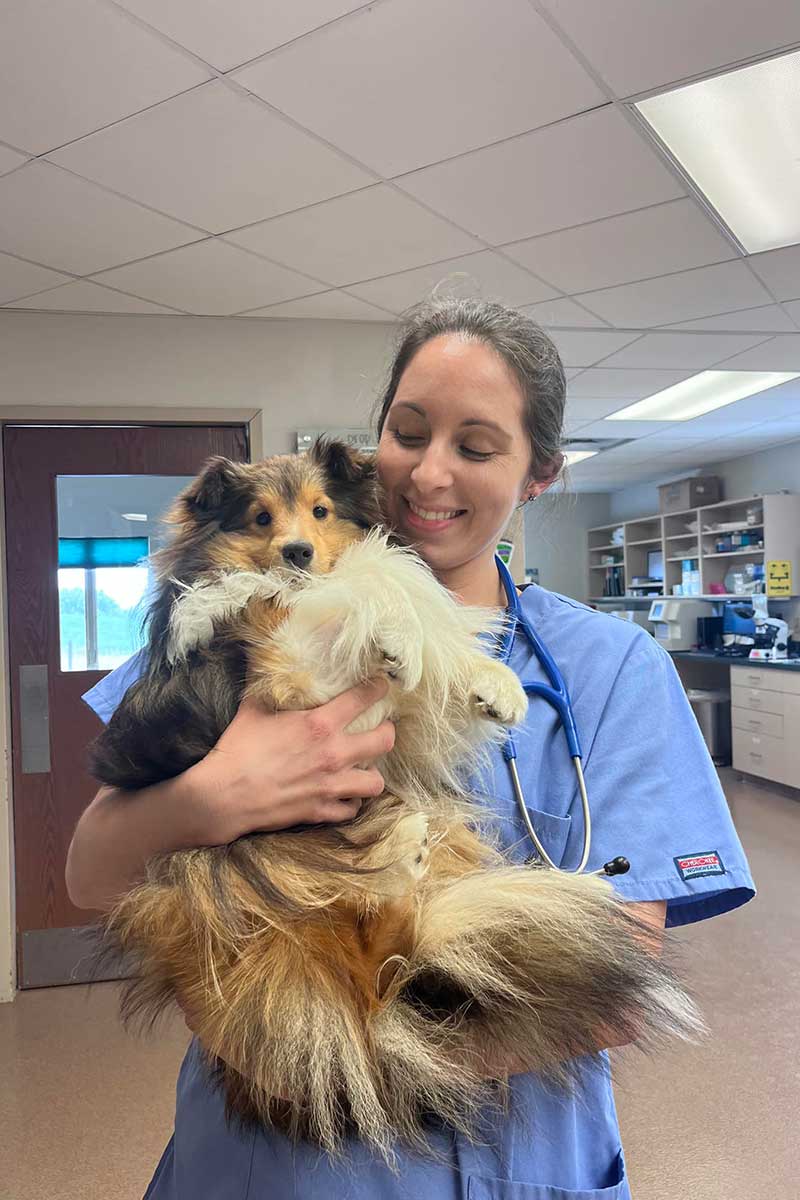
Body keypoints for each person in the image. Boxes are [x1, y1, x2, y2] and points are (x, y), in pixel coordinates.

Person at [67, 298, 755, 1200]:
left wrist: (337, 1059)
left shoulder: (614, 666)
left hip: (498, 1153)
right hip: (271, 1166)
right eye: (408, 430)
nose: (429, 473)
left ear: (540, 472)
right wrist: (212, 797)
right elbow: (88, 871)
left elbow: (620, 975)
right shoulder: (236, 617)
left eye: (476, 447)